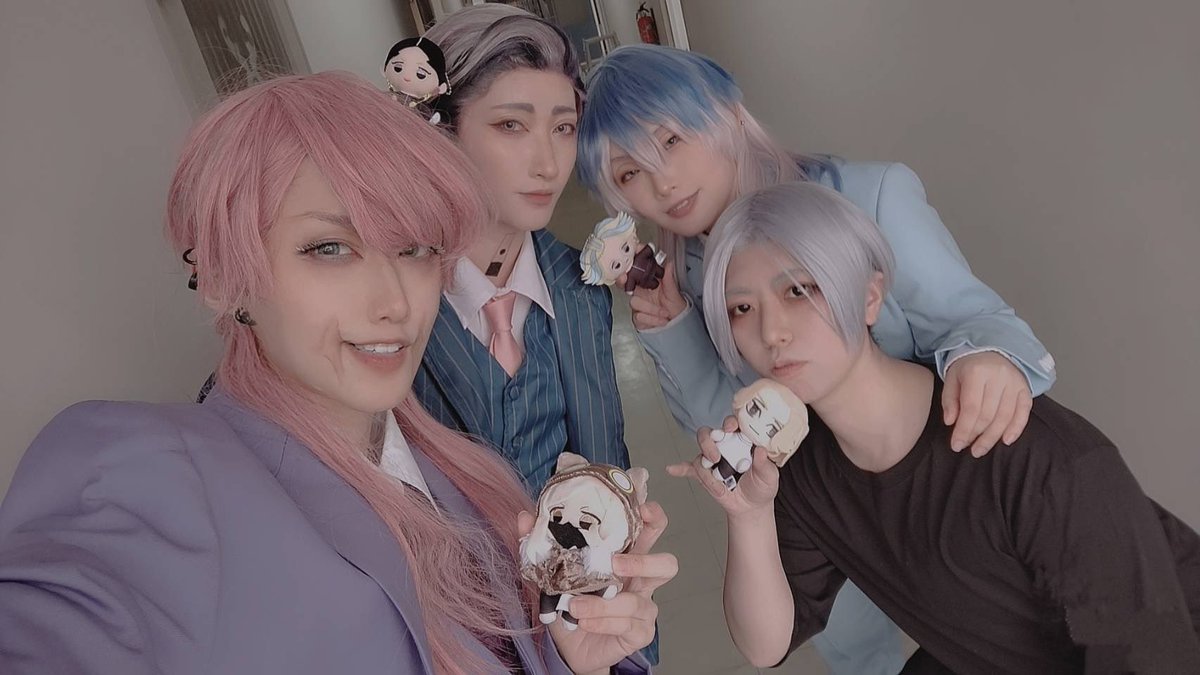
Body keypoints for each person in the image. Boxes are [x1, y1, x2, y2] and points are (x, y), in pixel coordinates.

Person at [0, 72, 673, 675]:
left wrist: (571, 658)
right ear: (226, 276)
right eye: (330, 247)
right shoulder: (153, 476)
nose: (395, 303)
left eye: (414, 248)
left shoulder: (470, 475)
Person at [577, 43, 1057, 673]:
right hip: (823, 519)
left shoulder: (869, 195)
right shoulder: (686, 275)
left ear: (727, 112)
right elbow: (735, 437)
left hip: (946, 492)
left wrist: (987, 357)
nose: (662, 182)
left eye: (671, 140)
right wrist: (674, 328)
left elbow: (979, 320)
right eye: (629, 174)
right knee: (863, 657)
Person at [671, 180, 1200, 673]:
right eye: (742, 307)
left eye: (798, 291)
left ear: (869, 297)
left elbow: (1152, 654)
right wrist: (748, 516)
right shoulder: (803, 468)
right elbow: (765, 645)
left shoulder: (1027, 451)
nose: (771, 332)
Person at [413, 4, 631, 496]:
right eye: (511, 125)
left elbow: (604, 457)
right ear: (442, 132)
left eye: (563, 128)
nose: (549, 166)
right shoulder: (389, 297)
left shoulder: (583, 287)